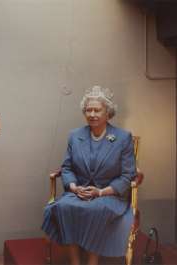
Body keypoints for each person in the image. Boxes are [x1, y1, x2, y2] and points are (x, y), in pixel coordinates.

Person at [42, 85, 136, 265]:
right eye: (88, 110)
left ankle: (92, 262)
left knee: (95, 210)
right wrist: (74, 187)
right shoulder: (75, 135)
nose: (92, 114)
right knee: (63, 207)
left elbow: (127, 176)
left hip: (108, 195)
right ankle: (75, 262)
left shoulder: (123, 138)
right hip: (80, 193)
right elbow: (67, 168)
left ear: (107, 113)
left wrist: (100, 193)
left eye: (97, 110)